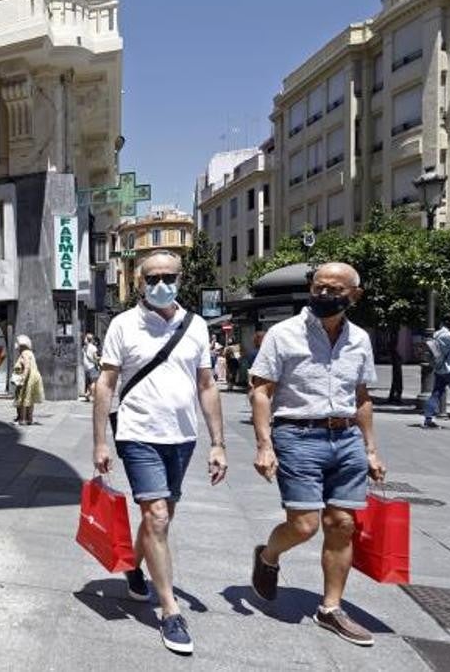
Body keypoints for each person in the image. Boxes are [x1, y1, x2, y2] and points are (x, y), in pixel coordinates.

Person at [92, 250, 228, 655]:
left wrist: (217, 442)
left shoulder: (197, 326)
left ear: (181, 278)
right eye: (152, 278)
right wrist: (100, 440)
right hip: (137, 434)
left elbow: (207, 384)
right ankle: (170, 610)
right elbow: (105, 384)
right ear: (139, 283)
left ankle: (134, 565)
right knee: (157, 515)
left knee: (161, 518)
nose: (162, 283)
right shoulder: (123, 324)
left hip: (182, 438)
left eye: (169, 276)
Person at [248, 262, 388, 648]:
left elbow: (362, 397)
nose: (325, 295)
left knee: (342, 523)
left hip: (346, 438)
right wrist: (264, 444)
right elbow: (261, 391)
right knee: (305, 525)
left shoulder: (359, 339)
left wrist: (371, 449)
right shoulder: (283, 334)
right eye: (319, 288)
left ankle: (331, 608)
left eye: (335, 290)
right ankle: (270, 554)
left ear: (353, 295)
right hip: (297, 434)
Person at [12, 334, 44, 425]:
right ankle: (29, 419)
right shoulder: (30, 353)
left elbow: (27, 367)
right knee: (30, 399)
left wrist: (23, 378)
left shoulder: (24, 353)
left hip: (28, 377)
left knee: (23, 398)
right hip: (34, 377)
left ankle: (22, 420)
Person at [81, 332, 100, 401]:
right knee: (93, 382)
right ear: (92, 339)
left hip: (86, 367)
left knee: (88, 382)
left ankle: (87, 395)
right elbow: (95, 357)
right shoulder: (93, 347)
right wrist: (99, 359)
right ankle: (93, 396)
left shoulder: (84, 347)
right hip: (92, 366)